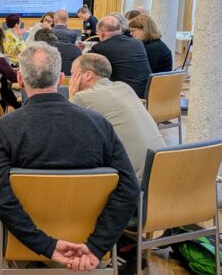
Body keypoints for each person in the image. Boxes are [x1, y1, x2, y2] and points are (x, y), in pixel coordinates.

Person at [0, 42, 139, 275]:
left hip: (28, 239)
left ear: (20, 79)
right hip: (85, 234)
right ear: (60, 79)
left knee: (0, 215)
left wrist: (47, 245)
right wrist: (96, 246)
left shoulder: (7, 127)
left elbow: (0, 197)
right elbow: (129, 189)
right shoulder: (99, 124)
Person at [69, 53, 165, 182]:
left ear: (87, 75)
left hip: (134, 180)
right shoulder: (124, 87)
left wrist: (71, 96)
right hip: (163, 166)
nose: (71, 80)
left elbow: (64, 132)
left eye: (73, 73)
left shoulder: (82, 97)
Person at [92, 15, 152, 98]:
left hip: (124, 95)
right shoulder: (137, 43)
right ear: (120, 30)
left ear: (101, 34)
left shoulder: (99, 48)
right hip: (147, 93)